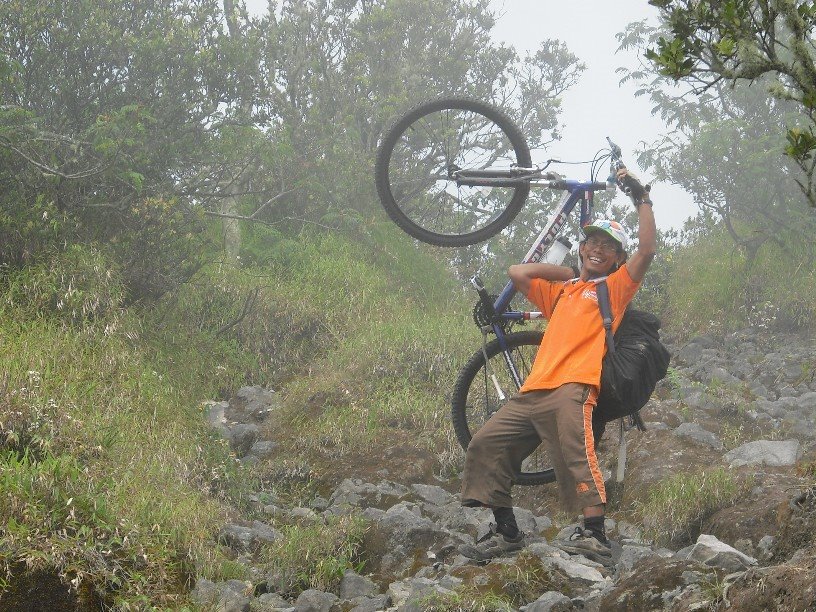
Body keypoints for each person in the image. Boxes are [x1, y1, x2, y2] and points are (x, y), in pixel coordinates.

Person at [458, 168, 656, 564]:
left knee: (574, 456)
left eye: (608, 246)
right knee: (486, 444)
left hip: (573, 388)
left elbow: (647, 250)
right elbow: (518, 273)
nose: (598, 248)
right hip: (530, 392)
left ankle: (595, 536)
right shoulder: (562, 293)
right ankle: (507, 531)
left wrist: (643, 198)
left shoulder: (613, 290)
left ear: (617, 258)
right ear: (583, 248)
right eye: (592, 241)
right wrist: (567, 272)